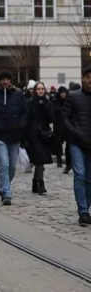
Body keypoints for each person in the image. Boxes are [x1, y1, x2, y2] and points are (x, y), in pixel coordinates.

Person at [0, 71, 29, 206]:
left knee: (12, 167)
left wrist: (21, 126)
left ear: (10, 80)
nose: (5, 81)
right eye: (3, 79)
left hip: (15, 135)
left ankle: (3, 186)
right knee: (4, 165)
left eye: (7, 79)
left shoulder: (18, 95)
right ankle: (7, 193)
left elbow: (25, 113)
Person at [62, 66, 91, 226]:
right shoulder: (73, 96)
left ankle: (86, 206)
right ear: (83, 78)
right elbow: (64, 117)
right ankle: (83, 211)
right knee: (79, 174)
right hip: (77, 142)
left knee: (89, 179)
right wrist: (73, 131)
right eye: (87, 77)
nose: (90, 80)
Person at [26, 82, 54, 195]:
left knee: (40, 160)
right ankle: (40, 183)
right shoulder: (30, 102)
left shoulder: (48, 102)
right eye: (38, 89)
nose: (40, 91)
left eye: (42, 89)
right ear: (35, 90)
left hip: (44, 134)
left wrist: (45, 106)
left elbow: (51, 118)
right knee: (39, 159)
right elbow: (28, 118)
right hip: (33, 134)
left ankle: (35, 182)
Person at [52, 86, 69, 171]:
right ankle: (59, 160)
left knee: (68, 145)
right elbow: (54, 112)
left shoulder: (69, 101)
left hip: (67, 126)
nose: (63, 94)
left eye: (64, 92)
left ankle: (68, 161)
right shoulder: (55, 101)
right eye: (61, 93)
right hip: (58, 126)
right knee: (58, 144)